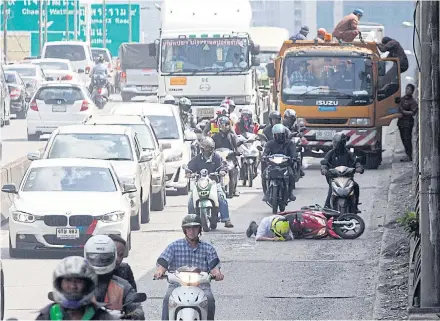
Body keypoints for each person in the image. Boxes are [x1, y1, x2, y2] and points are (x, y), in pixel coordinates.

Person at [154, 214, 225, 320]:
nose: (192, 231)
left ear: (199, 229)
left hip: (201, 286)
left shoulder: (208, 248)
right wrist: (159, 272)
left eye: (195, 227)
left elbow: (214, 267)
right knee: (167, 299)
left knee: (209, 299)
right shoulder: (174, 246)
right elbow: (163, 263)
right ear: (184, 230)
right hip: (177, 285)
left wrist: (217, 274)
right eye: (188, 228)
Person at [84, 235, 145, 320]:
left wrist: (128, 317)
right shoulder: (76, 282)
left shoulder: (123, 285)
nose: (100, 261)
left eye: (105, 258)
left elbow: (137, 308)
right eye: (95, 257)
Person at [36, 256, 116, 320]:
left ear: (88, 285)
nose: (73, 286)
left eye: (78, 281)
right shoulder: (47, 315)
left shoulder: (102, 317)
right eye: (68, 280)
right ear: (59, 284)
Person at [186, 137, 234, 227]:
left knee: (222, 197)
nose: (207, 150)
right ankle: (191, 220)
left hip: (214, 183)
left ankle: (226, 219)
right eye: (205, 148)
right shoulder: (197, 159)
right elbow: (190, 167)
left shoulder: (217, 157)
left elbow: (223, 166)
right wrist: (189, 172)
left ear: (212, 148)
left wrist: (222, 171)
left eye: (209, 148)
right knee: (191, 201)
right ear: (201, 149)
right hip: (200, 183)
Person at [320, 133, 364, 212]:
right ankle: (327, 206)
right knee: (331, 190)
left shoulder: (349, 153)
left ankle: (355, 205)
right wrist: (324, 169)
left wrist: (359, 167)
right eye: (335, 143)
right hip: (334, 178)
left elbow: (356, 162)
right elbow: (324, 162)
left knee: (356, 186)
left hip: (347, 178)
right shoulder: (331, 153)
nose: (337, 145)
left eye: (338, 143)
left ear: (343, 143)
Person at [261, 124, 297, 203]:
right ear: (274, 135)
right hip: (273, 165)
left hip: (285, 165)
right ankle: (266, 193)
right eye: (277, 135)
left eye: (281, 135)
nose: (279, 137)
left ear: (284, 134)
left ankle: (290, 193)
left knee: (291, 175)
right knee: (264, 175)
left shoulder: (289, 143)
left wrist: (294, 157)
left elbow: (293, 152)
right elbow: (266, 152)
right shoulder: (270, 143)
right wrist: (264, 156)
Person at [212, 116, 240, 198]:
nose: (224, 126)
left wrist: (237, 152)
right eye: (221, 125)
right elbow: (211, 147)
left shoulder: (232, 136)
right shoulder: (214, 137)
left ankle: (234, 188)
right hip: (219, 159)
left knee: (235, 169)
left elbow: (237, 147)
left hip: (230, 158)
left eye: (226, 124)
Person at [397, 84, 418, 162]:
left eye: (409, 89)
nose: (407, 90)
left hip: (408, 123)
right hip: (401, 123)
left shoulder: (413, 102)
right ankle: (407, 154)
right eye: (407, 88)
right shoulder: (402, 99)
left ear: (412, 91)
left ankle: (409, 155)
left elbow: (413, 112)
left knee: (407, 139)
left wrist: (403, 112)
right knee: (403, 139)